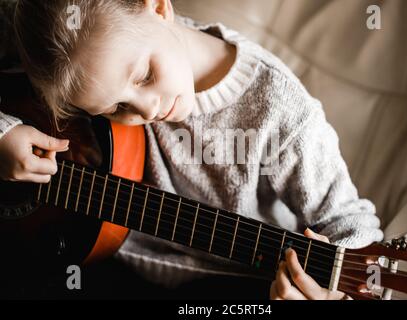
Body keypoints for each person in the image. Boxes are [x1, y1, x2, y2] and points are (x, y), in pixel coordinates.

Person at [0, 0, 383, 299]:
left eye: (145, 75)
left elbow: (354, 226)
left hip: (230, 290)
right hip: (98, 259)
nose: (147, 110)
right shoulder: (48, 44)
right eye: (116, 109)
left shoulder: (278, 109)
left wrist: (328, 294)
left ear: (159, 8)